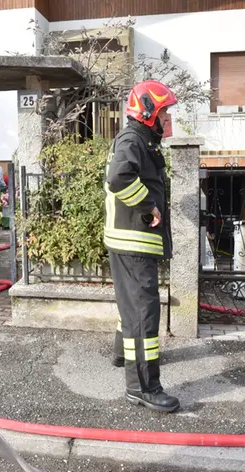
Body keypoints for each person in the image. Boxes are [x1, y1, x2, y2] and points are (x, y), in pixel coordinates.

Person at [105, 80, 178, 413]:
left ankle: (122, 353)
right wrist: (148, 207)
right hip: (134, 242)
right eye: (164, 114)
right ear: (148, 112)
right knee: (144, 315)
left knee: (132, 308)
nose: (168, 121)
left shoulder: (140, 139)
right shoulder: (133, 139)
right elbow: (119, 178)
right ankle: (144, 387)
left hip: (130, 241)